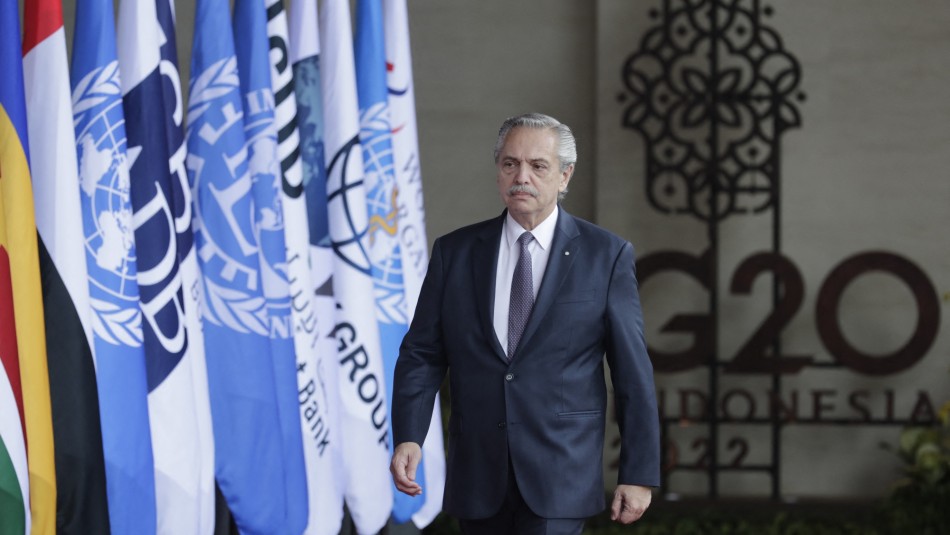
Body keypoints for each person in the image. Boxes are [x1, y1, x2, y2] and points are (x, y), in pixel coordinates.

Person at [390, 113, 660, 534]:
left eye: (538, 166)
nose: (522, 177)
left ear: (565, 176)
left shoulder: (605, 256)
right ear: (498, 172)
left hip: (560, 472)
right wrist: (409, 434)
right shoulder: (455, 253)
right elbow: (422, 353)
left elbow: (632, 373)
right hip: (478, 473)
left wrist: (638, 472)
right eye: (510, 164)